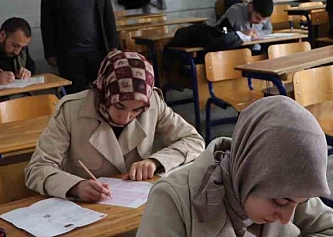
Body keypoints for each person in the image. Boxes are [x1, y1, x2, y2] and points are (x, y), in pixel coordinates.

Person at [136, 95, 333, 237]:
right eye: (281, 201)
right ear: (251, 173)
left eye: (300, 202)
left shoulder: (291, 188)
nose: (286, 219)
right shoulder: (173, 200)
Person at [25, 50, 205, 202]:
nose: (125, 117)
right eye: (119, 106)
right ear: (104, 91)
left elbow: (193, 140)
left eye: (137, 110)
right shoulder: (70, 110)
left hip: (137, 204)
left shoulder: (153, 104)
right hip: (85, 208)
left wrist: (155, 161)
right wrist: (76, 187)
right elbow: (37, 168)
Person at [41, 0, 120, 94]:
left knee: (103, 92)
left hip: (97, 50)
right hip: (69, 53)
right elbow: (47, 21)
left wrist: (113, 45)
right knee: (75, 96)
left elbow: (107, 13)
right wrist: (49, 53)